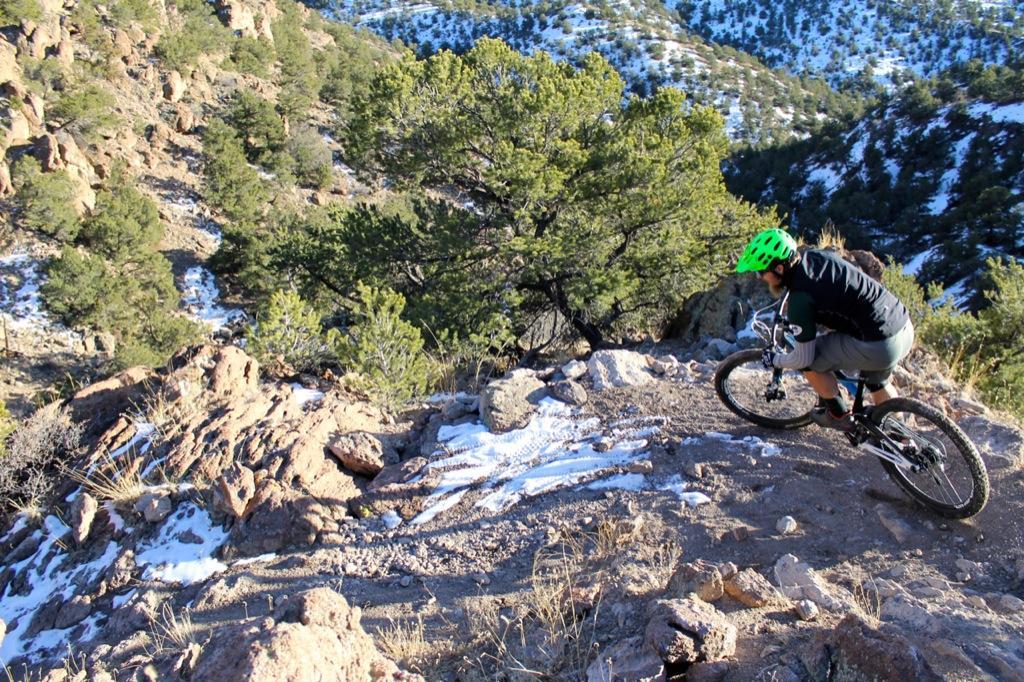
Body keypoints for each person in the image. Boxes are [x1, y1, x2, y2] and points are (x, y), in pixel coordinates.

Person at [734, 228, 915, 431]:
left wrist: (774, 359)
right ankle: (901, 439)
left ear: (779, 269)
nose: (759, 277)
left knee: (809, 362)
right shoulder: (816, 255)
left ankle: (838, 415)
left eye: (761, 271)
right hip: (902, 325)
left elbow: (803, 358)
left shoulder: (800, 300)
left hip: (880, 346)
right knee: (877, 382)